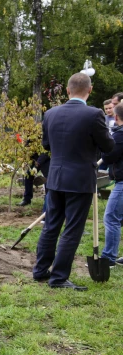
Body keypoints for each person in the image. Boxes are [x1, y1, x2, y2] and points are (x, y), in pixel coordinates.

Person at [32, 73, 114, 290]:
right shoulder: (94, 114)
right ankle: (58, 277)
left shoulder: (50, 113)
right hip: (79, 179)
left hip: (56, 177)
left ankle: (40, 270)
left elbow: (47, 146)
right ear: (90, 89)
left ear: (68, 91)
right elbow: (108, 146)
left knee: (51, 225)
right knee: (72, 229)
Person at [100, 102, 123, 267]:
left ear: (116, 117)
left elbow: (108, 157)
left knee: (111, 217)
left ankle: (108, 258)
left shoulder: (120, 135)